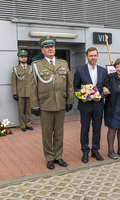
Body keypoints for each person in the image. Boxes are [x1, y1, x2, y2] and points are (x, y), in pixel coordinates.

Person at [30, 36, 74, 170]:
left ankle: (58, 156)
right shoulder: (37, 65)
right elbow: (32, 87)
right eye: (47, 47)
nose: (50, 49)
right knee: (47, 134)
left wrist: (70, 100)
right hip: (45, 105)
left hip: (60, 103)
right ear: (42, 50)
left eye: (52, 46)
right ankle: (49, 157)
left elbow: (69, 84)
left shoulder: (64, 64)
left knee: (59, 133)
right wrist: (34, 105)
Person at [73, 47, 108, 163]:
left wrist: (101, 96)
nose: (93, 57)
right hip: (85, 105)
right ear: (86, 56)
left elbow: (106, 87)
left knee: (97, 129)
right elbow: (75, 87)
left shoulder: (103, 71)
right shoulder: (80, 70)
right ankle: (85, 151)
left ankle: (95, 150)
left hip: (98, 105)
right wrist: (81, 97)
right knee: (85, 128)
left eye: (95, 55)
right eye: (91, 55)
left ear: (97, 56)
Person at [11, 50, 34, 132]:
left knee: (28, 109)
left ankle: (28, 124)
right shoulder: (15, 69)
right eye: (22, 57)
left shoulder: (31, 68)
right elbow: (13, 82)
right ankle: (22, 125)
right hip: (20, 92)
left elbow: (33, 81)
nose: (24, 59)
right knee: (21, 110)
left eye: (25, 57)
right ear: (19, 58)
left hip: (29, 92)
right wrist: (14, 93)